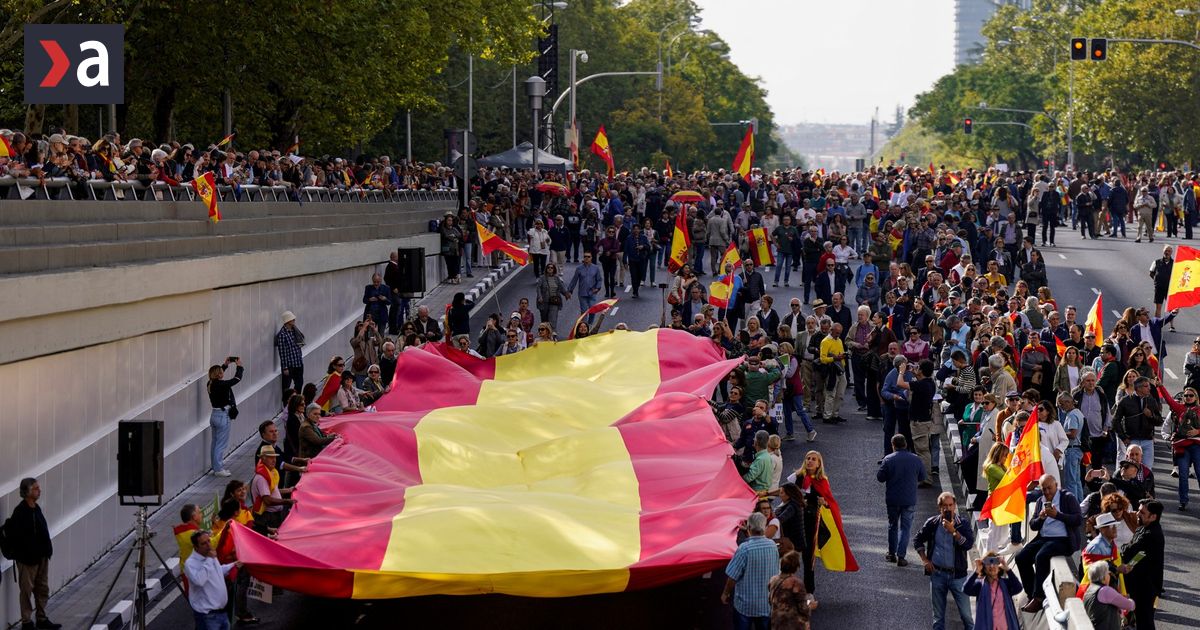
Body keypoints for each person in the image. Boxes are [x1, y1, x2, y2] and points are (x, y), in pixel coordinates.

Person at [1015, 474, 1082, 612]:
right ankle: (1031, 593)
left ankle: (1039, 598)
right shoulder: (1040, 501)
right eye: (1044, 489)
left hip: (1062, 539)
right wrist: (1040, 518)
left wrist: (1058, 515)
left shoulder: (1067, 498)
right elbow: (1033, 525)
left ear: (1056, 486)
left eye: (1049, 488)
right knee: (1021, 557)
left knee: (1042, 556)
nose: (1047, 492)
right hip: (1044, 537)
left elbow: (1077, 520)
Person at [3, 478, 61, 630]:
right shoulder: (20, 512)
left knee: (42, 588)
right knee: (26, 591)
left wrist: (47, 551)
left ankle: (41, 618)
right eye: (36, 488)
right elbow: (16, 536)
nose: (39, 490)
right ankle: (27, 622)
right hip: (28, 560)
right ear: (27, 492)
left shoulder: (36, 508)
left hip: (41, 557)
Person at [913, 491, 976, 630]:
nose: (947, 508)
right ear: (939, 508)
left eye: (950, 505)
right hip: (937, 575)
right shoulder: (932, 523)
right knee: (938, 618)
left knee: (966, 616)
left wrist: (954, 532)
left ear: (954, 506)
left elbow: (968, 545)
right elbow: (917, 539)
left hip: (958, 577)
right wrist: (924, 560)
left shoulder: (962, 524)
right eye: (944, 506)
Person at [721, 511, 778, 630]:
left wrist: (726, 593)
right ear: (764, 527)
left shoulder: (744, 549)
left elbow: (732, 576)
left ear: (749, 528)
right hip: (765, 605)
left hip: (745, 605)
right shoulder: (773, 546)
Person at [877, 434, 926, 566]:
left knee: (892, 525)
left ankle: (891, 553)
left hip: (892, 499)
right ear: (905, 444)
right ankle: (901, 556)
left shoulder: (888, 459)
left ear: (893, 445)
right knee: (905, 528)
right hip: (909, 499)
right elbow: (922, 477)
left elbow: (880, 478)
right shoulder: (916, 459)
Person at [1118, 499, 1165, 630]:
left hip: (1145, 588)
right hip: (1139, 584)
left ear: (1153, 517)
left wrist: (1124, 549)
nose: (1137, 514)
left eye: (1142, 512)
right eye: (1138, 510)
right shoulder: (1143, 528)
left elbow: (1127, 551)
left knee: (1145, 622)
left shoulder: (1151, 535)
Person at [182, 530, 239, 630]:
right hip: (208, 617)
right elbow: (199, 581)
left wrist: (233, 565)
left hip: (222, 612)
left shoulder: (210, 555)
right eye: (204, 543)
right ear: (196, 547)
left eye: (209, 541)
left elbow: (218, 571)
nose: (208, 545)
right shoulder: (191, 563)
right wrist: (209, 559)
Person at [962, 553, 1022, 630]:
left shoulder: (1006, 584)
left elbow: (1018, 588)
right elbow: (966, 589)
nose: (992, 566)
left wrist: (1007, 569)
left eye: (995, 562)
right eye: (988, 563)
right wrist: (976, 571)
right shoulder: (980, 585)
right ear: (984, 567)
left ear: (999, 567)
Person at [206, 357, 243, 477]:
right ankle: (218, 469)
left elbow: (219, 374)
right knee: (221, 444)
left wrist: (225, 365)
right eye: (221, 372)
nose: (223, 373)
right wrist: (239, 366)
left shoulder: (210, 383)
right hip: (223, 416)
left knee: (215, 443)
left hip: (214, 415)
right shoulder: (222, 384)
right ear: (219, 375)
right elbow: (237, 379)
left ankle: (216, 467)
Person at [1113, 376, 1162, 465]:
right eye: (1146, 386)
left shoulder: (1151, 400)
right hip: (1132, 440)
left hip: (1147, 440)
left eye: (1149, 386)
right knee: (1131, 467)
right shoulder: (1125, 401)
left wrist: (1151, 416)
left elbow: (1159, 421)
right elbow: (1115, 421)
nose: (1149, 388)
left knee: (1147, 469)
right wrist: (1123, 438)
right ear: (1138, 388)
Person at [768, 550, 816, 630]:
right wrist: (810, 604)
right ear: (796, 567)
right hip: (792, 624)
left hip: (776, 622)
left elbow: (770, 600)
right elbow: (803, 607)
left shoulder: (773, 580)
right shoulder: (796, 583)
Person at [1083, 561, 1136, 630]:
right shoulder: (1105, 591)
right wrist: (1129, 600)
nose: (1110, 576)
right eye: (1108, 574)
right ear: (1103, 577)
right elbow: (1130, 605)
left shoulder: (1089, 589)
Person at [565, 251, 603, 321]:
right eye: (585, 256)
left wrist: (597, 288)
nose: (586, 258)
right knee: (584, 311)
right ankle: (584, 325)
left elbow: (599, 279)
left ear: (591, 258)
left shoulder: (595, 268)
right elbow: (574, 280)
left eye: (588, 257)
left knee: (592, 310)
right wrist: (569, 291)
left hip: (592, 292)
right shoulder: (579, 268)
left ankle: (590, 324)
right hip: (582, 293)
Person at [275, 310, 305, 397]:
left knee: (299, 384)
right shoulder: (282, 335)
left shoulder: (295, 331)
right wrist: (285, 368)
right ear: (288, 321)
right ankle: (286, 405)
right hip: (289, 365)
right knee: (286, 387)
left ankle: (297, 401)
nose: (294, 321)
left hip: (298, 363)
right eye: (293, 319)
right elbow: (282, 352)